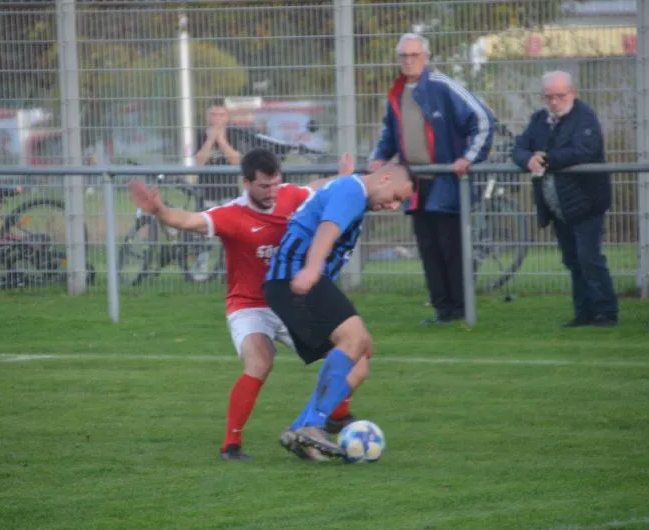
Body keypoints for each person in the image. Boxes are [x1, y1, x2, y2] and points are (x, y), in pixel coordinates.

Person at [127, 148, 358, 461]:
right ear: (246, 183)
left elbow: (317, 189)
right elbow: (190, 220)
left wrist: (343, 179)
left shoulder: (291, 196)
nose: (272, 191)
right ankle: (231, 445)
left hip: (290, 301)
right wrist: (160, 211)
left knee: (344, 350)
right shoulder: (232, 215)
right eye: (264, 186)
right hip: (249, 305)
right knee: (260, 361)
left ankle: (335, 416)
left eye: (276, 183)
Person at [263, 163, 416, 460]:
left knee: (359, 362)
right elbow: (327, 229)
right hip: (293, 276)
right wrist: (312, 268)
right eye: (396, 197)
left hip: (291, 281)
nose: (394, 206)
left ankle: (300, 431)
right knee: (354, 339)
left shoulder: (350, 188)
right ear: (385, 178)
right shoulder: (353, 191)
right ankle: (312, 425)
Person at [367, 33, 495, 324]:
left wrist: (468, 158)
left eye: (414, 55)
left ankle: (461, 309)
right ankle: (442, 310)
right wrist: (378, 157)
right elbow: (389, 132)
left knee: (452, 247)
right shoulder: (397, 92)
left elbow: (483, 119)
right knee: (428, 249)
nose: (408, 61)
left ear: (426, 57)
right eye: (403, 56)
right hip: (414, 184)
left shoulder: (443, 86)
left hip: (447, 182)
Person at [511, 70, 618, 327]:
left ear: (573, 93)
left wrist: (546, 159)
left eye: (560, 96)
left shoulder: (585, 117)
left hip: (586, 201)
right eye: (548, 97)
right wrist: (528, 159)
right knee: (572, 260)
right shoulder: (539, 119)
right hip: (558, 205)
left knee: (589, 258)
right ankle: (583, 313)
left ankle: (606, 312)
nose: (554, 102)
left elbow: (584, 150)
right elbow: (519, 146)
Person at [193, 98, 244, 205]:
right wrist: (210, 139)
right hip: (206, 191)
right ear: (207, 116)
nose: (217, 118)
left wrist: (221, 140)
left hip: (229, 190)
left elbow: (236, 162)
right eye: (213, 115)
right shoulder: (200, 135)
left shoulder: (234, 135)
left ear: (227, 117)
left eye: (221, 115)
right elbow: (199, 163)